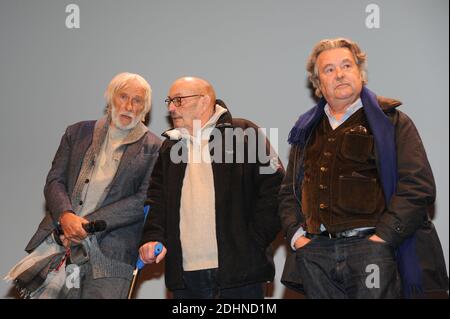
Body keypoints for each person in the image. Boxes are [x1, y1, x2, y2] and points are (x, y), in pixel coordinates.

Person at [279, 38, 448, 299]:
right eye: (329, 69)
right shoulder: (305, 130)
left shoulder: (392, 121)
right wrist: (298, 238)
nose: (340, 74)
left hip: (372, 249)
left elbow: (418, 186)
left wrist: (382, 240)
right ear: (318, 85)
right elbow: (288, 193)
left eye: (347, 65)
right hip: (316, 252)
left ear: (360, 73)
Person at [5, 72, 161, 298]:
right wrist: (66, 217)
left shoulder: (155, 147)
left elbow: (143, 199)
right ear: (110, 99)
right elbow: (54, 180)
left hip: (112, 256)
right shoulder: (77, 132)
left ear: (144, 109)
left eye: (137, 101)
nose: (128, 105)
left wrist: (85, 226)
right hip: (61, 242)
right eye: (123, 97)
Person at [139, 76, 284, 299]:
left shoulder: (245, 133)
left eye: (178, 100)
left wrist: (252, 241)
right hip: (185, 277)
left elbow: (275, 189)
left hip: (240, 275)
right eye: (169, 101)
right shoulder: (170, 146)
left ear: (205, 101)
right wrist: (152, 236)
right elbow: (156, 199)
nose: (170, 108)